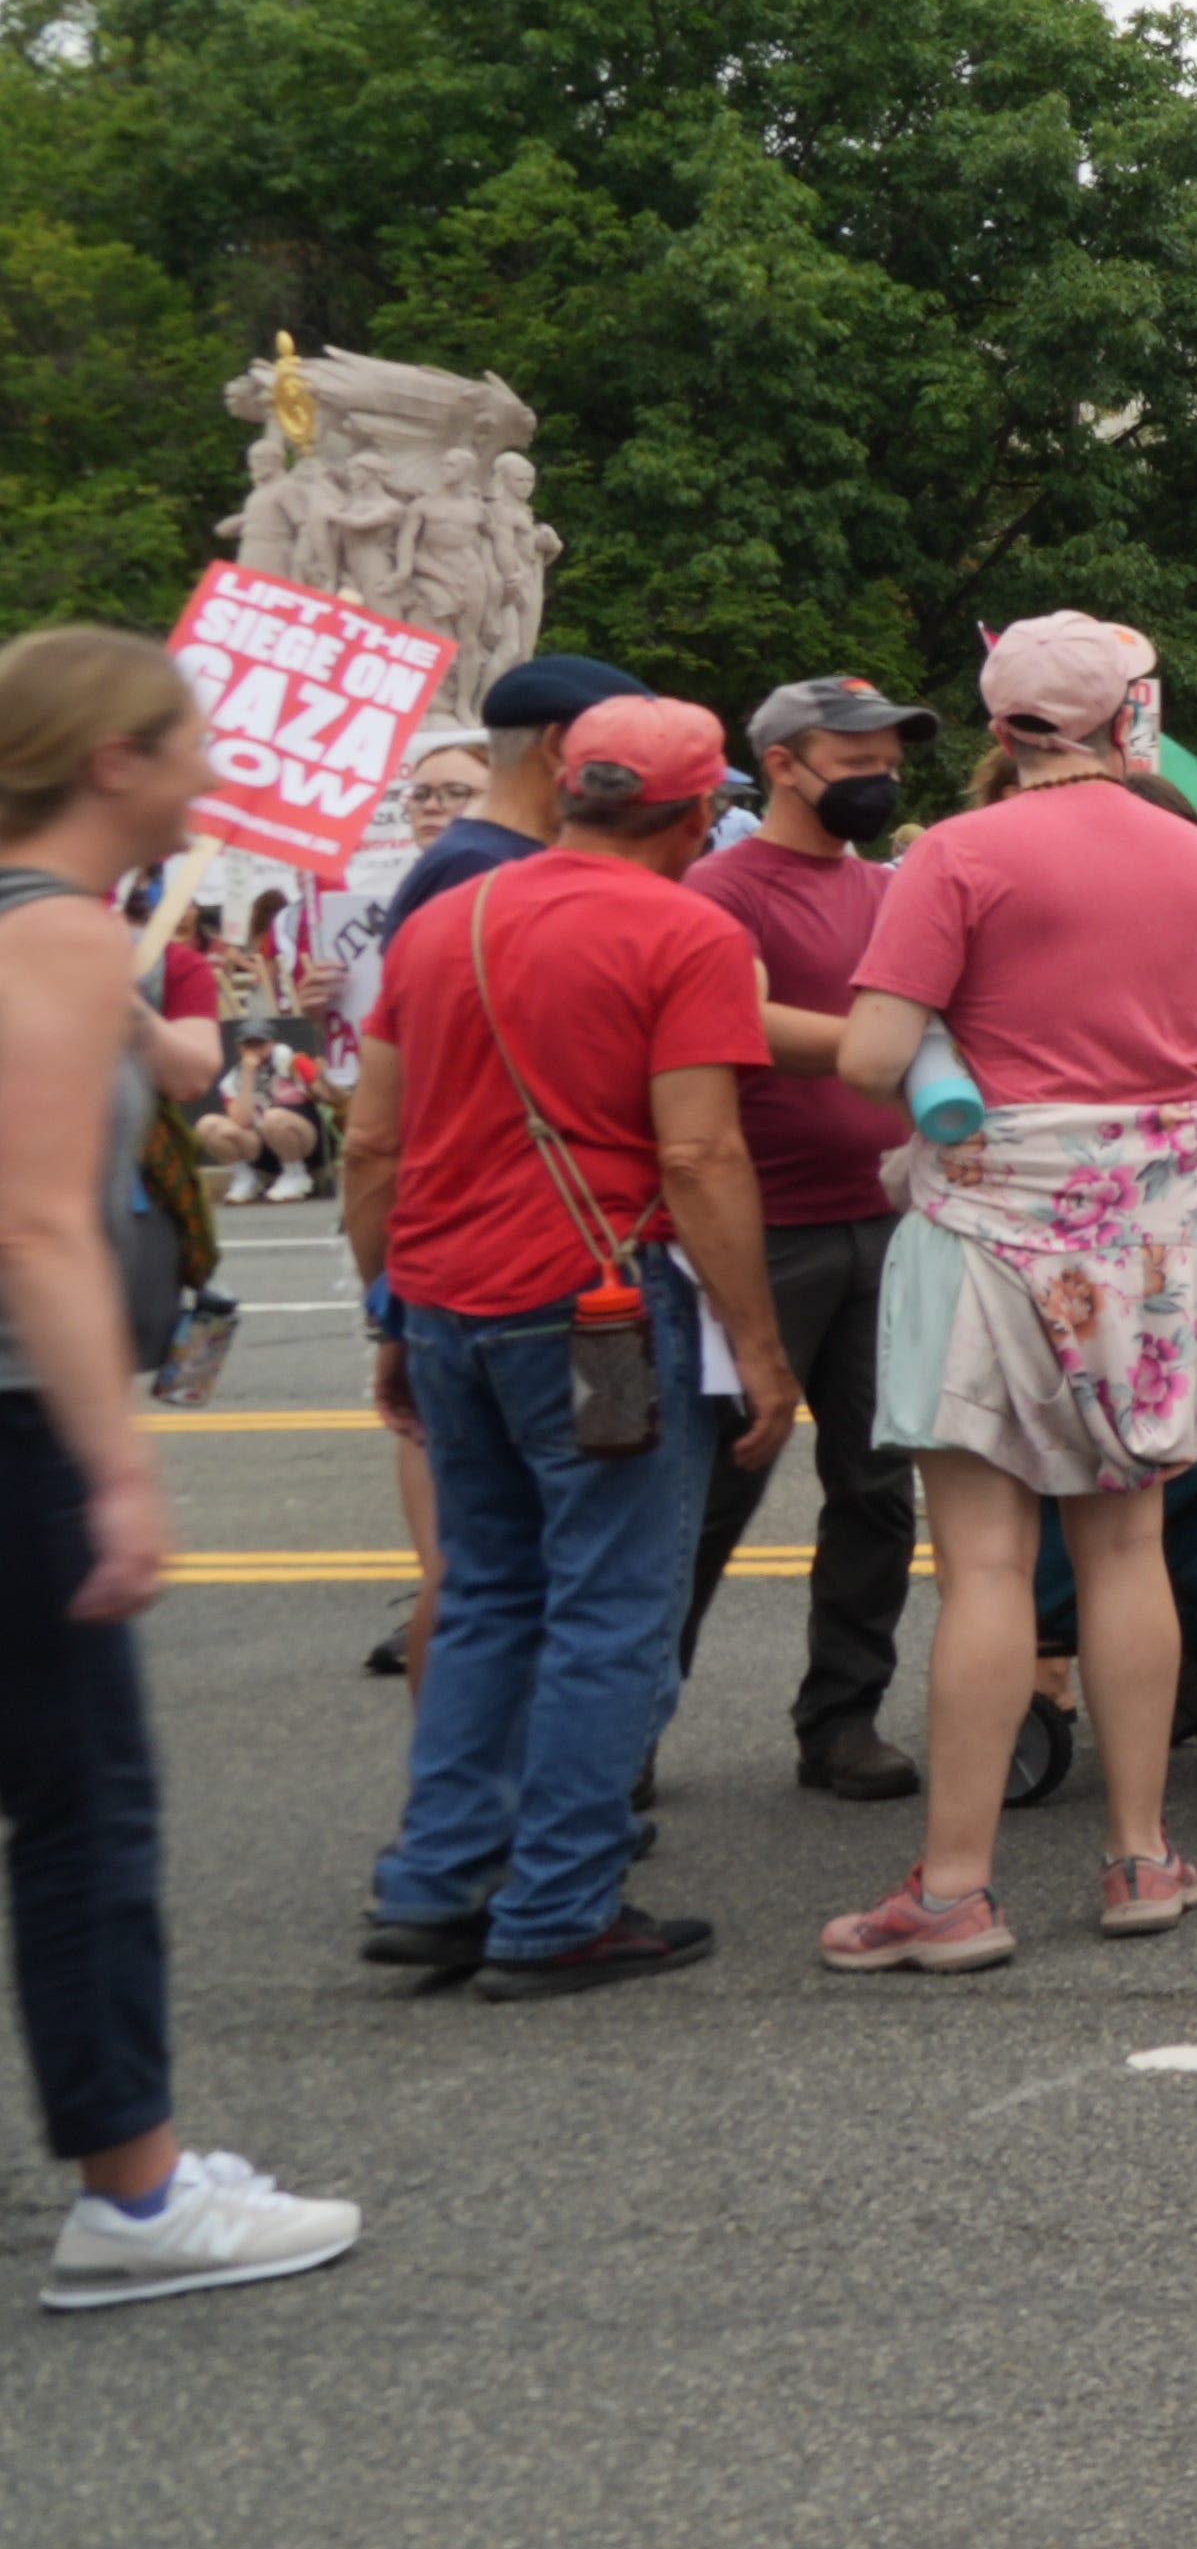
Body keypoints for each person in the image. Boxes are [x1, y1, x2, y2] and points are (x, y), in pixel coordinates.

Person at [818, 614, 1197, 1971]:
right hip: (1153, 1229)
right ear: (1133, 715)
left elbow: (870, 1055)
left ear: (1004, 721)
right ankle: (1141, 1855)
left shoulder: (955, 854)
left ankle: (954, 1890)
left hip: (996, 1226)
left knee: (987, 1565)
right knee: (1125, 1544)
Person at [2, 634, 369, 2301]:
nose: (210, 780)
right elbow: (35, 1223)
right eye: (187, 754)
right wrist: (120, 1465)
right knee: (87, 1806)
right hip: (15, 1419)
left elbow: (159, 1069)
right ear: (107, 765)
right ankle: (136, 2195)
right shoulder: (64, 936)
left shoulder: (59, 941)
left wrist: (155, 1038)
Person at [356, 695, 800, 2002]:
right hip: (598, 1308)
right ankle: (556, 1906)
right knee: (612, 1609)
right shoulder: (686, 929)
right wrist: (761, 1350)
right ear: (694, 811)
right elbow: (700, 1152)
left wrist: (387, 1306)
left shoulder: (442, 921)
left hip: (445, 1302)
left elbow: (371, 1141)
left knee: (489, 1588)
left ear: (568, 787)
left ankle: (436, 1885)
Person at [676, 677, 938, 1806]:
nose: (879, 774)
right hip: (767, 1227)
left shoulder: (893, 885)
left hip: (886, 1215)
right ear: (783, 762)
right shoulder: (718, 889)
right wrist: (890, 1050)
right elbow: (740, 1020)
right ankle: (622, 1725)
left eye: (891, 754)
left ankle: (842, 1718)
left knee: (878, 1487)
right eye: (855, 754)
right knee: (710, 1491)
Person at [339, 673, 618, 1686]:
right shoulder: (474, 871)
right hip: (522, 1273)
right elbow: (390, 1117)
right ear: (558, 747)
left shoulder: (496, 863)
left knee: (523, 1565)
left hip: (495, 1268)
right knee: (506, 1570)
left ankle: (477, 1819)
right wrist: (391, 1298)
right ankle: (505, 1812)